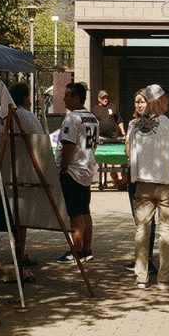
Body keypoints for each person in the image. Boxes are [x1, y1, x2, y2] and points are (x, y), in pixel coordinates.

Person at [126, 84, 169, 289]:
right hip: (165, 182)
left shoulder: (134, 125)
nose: (168, 102)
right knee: (166, 230)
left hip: (142, 183)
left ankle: (141, 277)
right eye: (165, 99)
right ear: (158, 101)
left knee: (141, 229)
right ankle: (164, 279)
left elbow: (129, 152)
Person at [54, 82, 99, 263]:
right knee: (84, 210)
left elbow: (69, 145)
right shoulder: (92, 117)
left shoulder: (72, 119)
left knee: (75, 213)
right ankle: (87, 249)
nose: (64, 98)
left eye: (67, 95)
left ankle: (76, 251)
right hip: (86, 169)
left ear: (77, 98)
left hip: (73, 170)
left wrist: (63, 167)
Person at [0, 82, 43, 267]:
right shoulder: (28, 117)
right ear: (24, 98)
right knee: (21, 215)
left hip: (3, 166)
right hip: (24, 169)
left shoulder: (2, 115)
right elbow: (40, 142)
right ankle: (19, 254)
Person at [123, 88, 158, 276]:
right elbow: (127, 149)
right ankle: (142, 257)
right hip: (134, 174)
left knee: (147, 219)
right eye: (137, 101)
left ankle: (147, 260)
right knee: (139, 219)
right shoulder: (132, 123)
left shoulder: (156, 124)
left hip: (148, 176)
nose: (139, 105)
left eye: (143, 101)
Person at [94, 89, 126, 189]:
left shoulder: (113, 107)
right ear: (99, 99)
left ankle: (120, 178)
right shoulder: (95, 109)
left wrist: (123, 132)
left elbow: (119, 120)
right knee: (103, 157)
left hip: (114, 136)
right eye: (103, 98)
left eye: (106, 97)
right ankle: (102, 180)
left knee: (117, 155)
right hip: (102, 137)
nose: (105, 99)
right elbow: (93, 123)